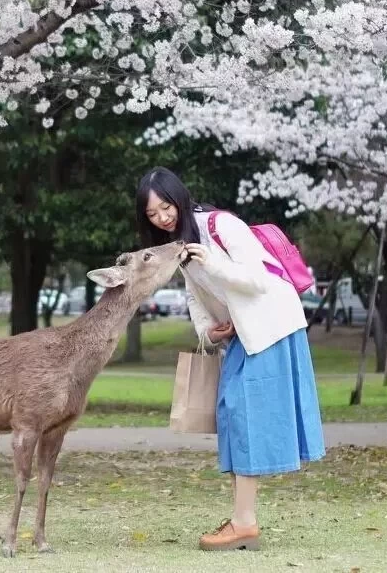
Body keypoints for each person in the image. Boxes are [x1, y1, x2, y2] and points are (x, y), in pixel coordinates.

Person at [136, 167, 324, 552]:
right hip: (240, 333)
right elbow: (193, 297)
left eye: (166, 208)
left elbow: (256, 281)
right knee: (232, 415)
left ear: (180, 199)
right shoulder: (182, 246)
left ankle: (244, 523)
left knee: (243, 416)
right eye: (152, 215)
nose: (162, 219)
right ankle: (242, 519)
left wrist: (211, 261)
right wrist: (208, 331)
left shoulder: (222, 226)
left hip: (271, 328)